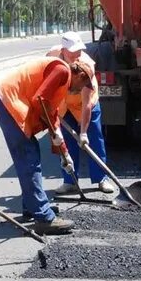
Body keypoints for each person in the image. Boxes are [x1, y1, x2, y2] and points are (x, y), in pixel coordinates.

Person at [0, 56, 95, 234]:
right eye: (83, 86)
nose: (80, 91)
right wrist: (54, 134)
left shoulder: (62, 80)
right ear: (81, 76)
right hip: (9, 103)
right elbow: (40, 99)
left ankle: (32, 207)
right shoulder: (62, 71)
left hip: (8, 101)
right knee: (29, 158)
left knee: (31, 155)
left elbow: (50, 112)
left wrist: (63, 151)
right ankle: (43, 218)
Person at [47, 31, 114, 195]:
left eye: (79, 50)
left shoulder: (86, 65)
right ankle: (70, 181)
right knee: (66, 144)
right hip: (63, 105)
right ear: (63, 49)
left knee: (94, 139)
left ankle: (101, 179)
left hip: (85, 103)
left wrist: (83, 133)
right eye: (73, 51)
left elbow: (86, 104)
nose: (77, 53)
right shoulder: (52, 56)